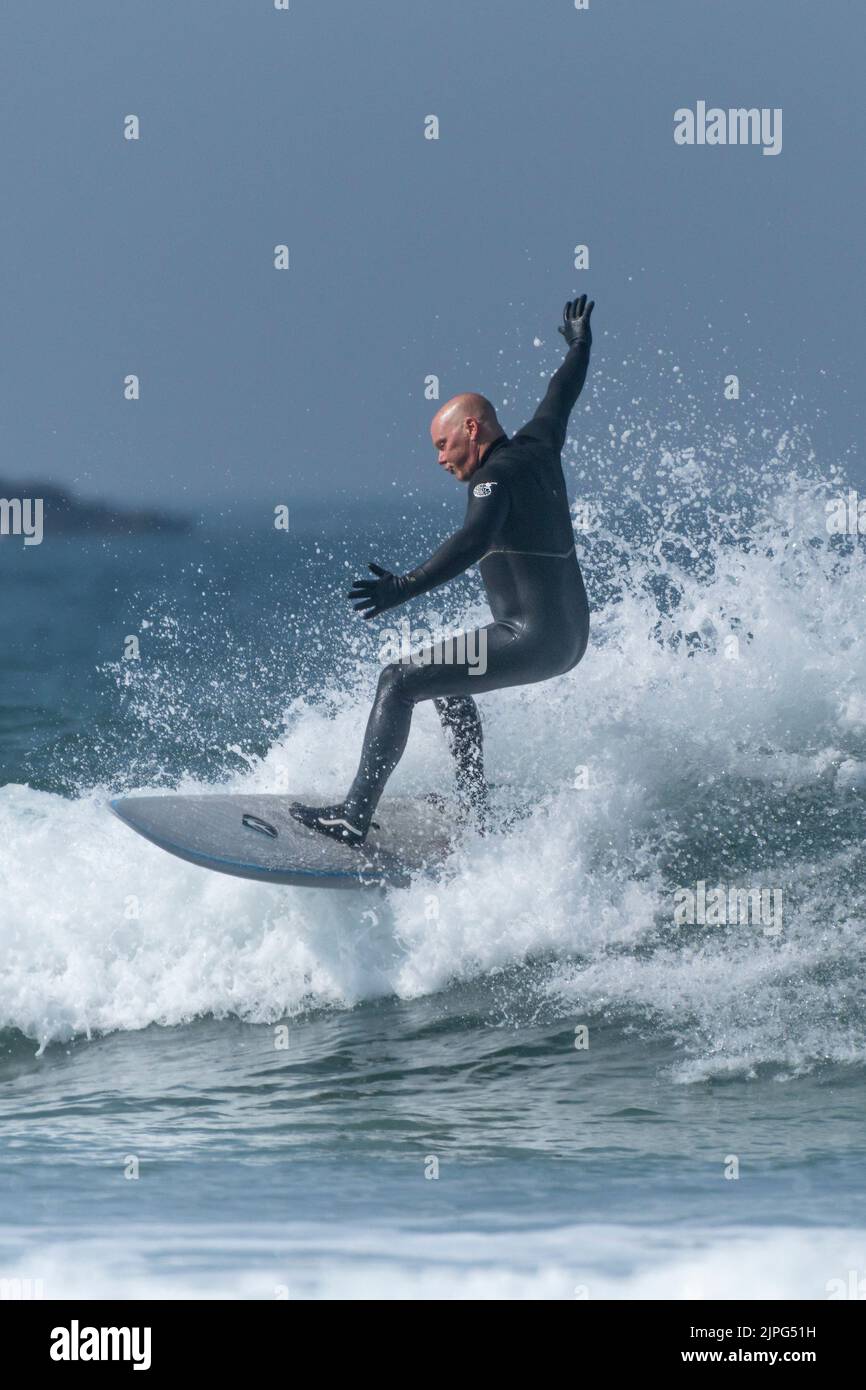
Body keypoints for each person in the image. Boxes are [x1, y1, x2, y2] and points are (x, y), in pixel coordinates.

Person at [291, 296, 594, 845]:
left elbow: (472, 540)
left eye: (443, 443)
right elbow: (560, 394)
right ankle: (476, 811)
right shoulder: (540, 445)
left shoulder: (492, 480)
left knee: (398, 681)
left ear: (472, 430)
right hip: (571, 637)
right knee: (445, 681)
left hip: (531, 638)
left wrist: (401, 588)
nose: (439, 458)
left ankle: (353, 817)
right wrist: (580, 345)